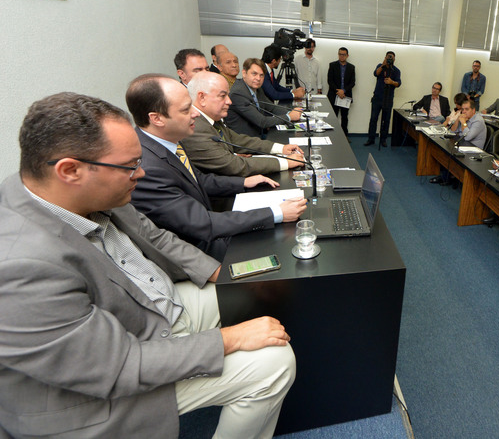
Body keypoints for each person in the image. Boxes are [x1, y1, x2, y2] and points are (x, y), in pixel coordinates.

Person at [0, 92, 295, 438]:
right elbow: (117, 365)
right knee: (275, 363)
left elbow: (155, 238)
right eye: (130, 166)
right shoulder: (20, 266)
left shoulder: (80, 190)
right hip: (103, 386)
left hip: (149, 309)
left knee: (256, 287)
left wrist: (223, 274)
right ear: (70, 170)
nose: (140, 173)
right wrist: (228, 339)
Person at [126, 75, 307, 260]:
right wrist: (276, 213)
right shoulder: (147, 168)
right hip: (198, 252)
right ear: (157, 119)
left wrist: (243, 183)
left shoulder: (168, 140)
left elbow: (199, 180)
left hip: (208, 231)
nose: (195, 113)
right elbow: (201, 223)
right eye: (186, 109)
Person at [181, 71, 304, 176]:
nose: (229, 101)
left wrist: (281, 148)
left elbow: (238, 140)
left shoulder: (210, 119)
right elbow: (232, 165)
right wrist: (285, 162)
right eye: (223, 96)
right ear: (202, 98)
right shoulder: (195, 128)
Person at [226, 58, 302, 139]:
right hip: (245, 141)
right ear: (244, 73)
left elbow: (272, 107)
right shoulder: (238, 93)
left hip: (258, 136)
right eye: (254, 74)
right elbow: (262, 122)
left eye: (261, 75)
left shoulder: (257, 89)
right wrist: (289, 117)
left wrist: (292, 112)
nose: (258, 78)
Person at [365, 51, 401, 147]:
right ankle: (371, 139)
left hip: (388, 99)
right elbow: (375, 73)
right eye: (388, 57)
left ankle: (383, 139)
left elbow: (398, 83)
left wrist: (392, 82)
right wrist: (383, 65)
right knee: (373, 119)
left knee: (386, 120)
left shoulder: (396, 71)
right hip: (377, 98)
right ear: (385, 57)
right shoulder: (380, 66)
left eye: (391, 57)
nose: (389, 59)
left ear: (394, 59)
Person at [327, 47, 356, 138]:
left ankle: (344, 137)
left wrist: (343, 91)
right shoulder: (332, 65)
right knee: (333, 117)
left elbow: (352, 82)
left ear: (347, 56)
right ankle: (332, 137)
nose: (341, 56)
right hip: (334, 95)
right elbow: (330, 81)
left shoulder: (351, 67)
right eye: (340, 54)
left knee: (344, 117)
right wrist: (338, 91)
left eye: (343, 54)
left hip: (345, 96)